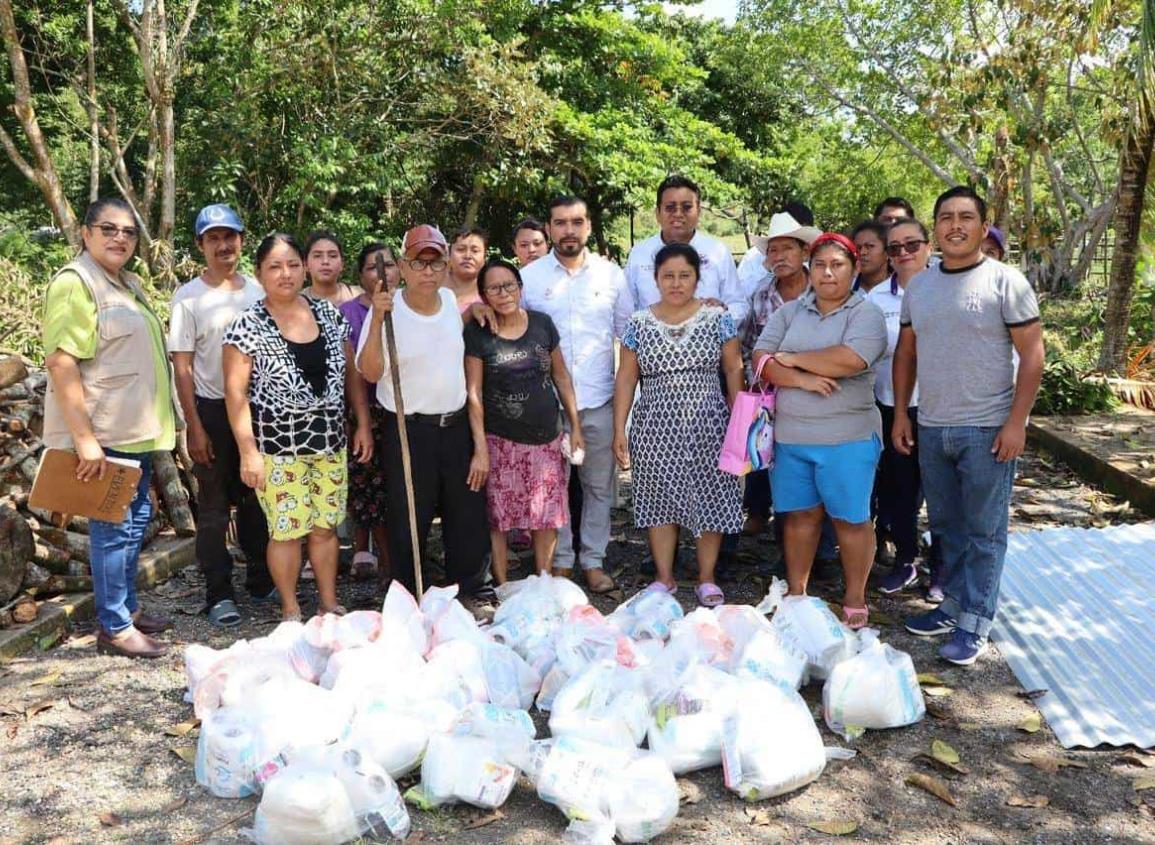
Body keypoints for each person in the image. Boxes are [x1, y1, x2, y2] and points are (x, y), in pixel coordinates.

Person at [896, 186, 1044, 665]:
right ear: (934, 227)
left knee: (985, 532)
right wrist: (902, 412)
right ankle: (953, 606)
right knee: (946, 527)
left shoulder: (1006, 281)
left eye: (965, 217)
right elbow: (907, 353)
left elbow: (1033, 355)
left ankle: (976, 620)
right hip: (934, 426)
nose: (954, 226)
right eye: (945, 217)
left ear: (983, 226)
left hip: (987, 429)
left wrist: (1016, 422)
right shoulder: (919, 287)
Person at [42, 197, 179, 658]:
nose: (119, 237)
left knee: (135, 522)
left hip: (136, 430)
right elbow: (62, 362)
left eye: (128, 231)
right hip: (106, 434)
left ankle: (129, 609)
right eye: (108, 228)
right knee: (113, 527)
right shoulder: (75, 283)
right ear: (86, 233)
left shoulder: (127, 283)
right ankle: (115, 628)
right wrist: (84, 441)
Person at [223, 233, 373, 622]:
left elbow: (352, 374)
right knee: (287, 530)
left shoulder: (327, 313)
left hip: (330, 442)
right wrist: (248, 451)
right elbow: (235, 394)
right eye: (274, 266)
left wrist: (362, 423)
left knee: (324, 527)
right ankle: (290, 607)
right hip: (277, 448)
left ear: (303, 267)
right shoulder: (247, 325)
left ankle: (327, 602)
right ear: (258, 274)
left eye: (292, 264)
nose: (285, 273)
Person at [356, 224, 496, 614]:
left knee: (465, 509)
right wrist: (379, 319)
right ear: (403, 265)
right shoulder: (387, 308)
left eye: (436, 262)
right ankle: (410, 592)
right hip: (407, 429)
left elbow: (458, 327)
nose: (428, 272)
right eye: (419, 263)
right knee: (409, 513)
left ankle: (471, 589)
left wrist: (478, 309)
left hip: (454, 426)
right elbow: (369, 371)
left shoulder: (450, 302)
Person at [753, 233, 888, 629]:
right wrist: (802, 380)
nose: (828, 272)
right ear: (811, 270)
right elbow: (761, 359)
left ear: (855, 268)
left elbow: (850, 359)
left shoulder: (866, 314)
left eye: (838, 265)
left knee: (851, 519)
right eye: (821, 265)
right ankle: (796, 593)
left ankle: (855, 597)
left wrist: (792, 360)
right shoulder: (791, 312)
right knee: (798, 517)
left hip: (847, 439)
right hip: (792, 437)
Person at [613, 243, 744, 605]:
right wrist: (618, 429)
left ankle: (706, 578)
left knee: (711, 497)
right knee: (658, 500)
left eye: (684, 275)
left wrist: (739, 418)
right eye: (668, 276)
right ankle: (664, 577)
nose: (676, 283)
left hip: (709, 422)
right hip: (653, 424)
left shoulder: (718, 318)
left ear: (697, 279)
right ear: (655, 279)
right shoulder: (638, 323)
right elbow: (625, 377)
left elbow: (733, 366)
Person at [521, 196, 633, 593]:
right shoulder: (530, 279)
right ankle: (561, 564)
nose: (569, 230)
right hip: (545, 406)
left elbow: (629, 341)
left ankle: (594, 561)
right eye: (560, 223)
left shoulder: (611, 277)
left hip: (599, 401)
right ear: (549, 229)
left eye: (577, 222)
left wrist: (624, 417)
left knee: (599, 486)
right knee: (552, 486)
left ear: (588, 227)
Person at [169, 203, 271, 628]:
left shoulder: (259, 292)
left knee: (257, 499)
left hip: (258, 409)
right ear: (200, 245)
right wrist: (193, 426)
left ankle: (262, 580)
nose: (223, 245)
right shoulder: (188, 298)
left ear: (241, 241)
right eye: (213, 238)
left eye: (229, 237)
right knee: (213, 508)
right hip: (211, 411)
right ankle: (218, 592)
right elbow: (183, 365)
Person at [464, 258, 583, 584]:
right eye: (493, 288)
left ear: (520, 287)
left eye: (509, 285)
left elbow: (561, 377)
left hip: (547, 438)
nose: (503, 293)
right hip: (500, 441)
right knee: (500, 518)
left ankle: (542, 582)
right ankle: (503, 586)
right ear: (484, 295)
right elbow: (473, 394)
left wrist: (575, 427)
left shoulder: (542, 324)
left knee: (546, 516)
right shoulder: (478, 332)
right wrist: (480, 448)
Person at [738, 208, 820, 538]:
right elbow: (746, 345)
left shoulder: (824, 290)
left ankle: (823, 551)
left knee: (815, 473)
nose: (779, 256)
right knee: (775, 468)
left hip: (819, 395)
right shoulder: (759, 295)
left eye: (787, 248)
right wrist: (756, 378)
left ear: (804, 252)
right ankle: (783, 545)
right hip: (770, 398)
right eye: (773, 250)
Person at [865, 218, 932, 595]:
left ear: (928, 245)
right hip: (891, 406)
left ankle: (942, 566)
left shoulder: (945, 288)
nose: (904, 254)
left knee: (942, 493)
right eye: (895, 248)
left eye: (912, 245)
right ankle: (906, 559)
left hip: (942, 407)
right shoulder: (876, 299)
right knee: (898, 490)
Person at [339, 242, 399, 583]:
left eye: (389, 265)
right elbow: (353, 372)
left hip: (405, 411)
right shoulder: (349, 312)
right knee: (370, 488)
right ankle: (383, 563)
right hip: (367, 409)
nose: (382, 273)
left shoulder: (409, 305)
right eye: (374, 268)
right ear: (361, 275)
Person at [625, 174, 748, 325]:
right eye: (670, 207)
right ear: (657, 213)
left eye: (686, 207)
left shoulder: (718, 252)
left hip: (708, 344)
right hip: (652, 345)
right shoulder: (639, 254)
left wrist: (723, 311)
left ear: (698, 212)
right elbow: (626, 311)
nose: (678, 214)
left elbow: (739, 306)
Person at [304, 230, 361, 307]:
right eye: (317, 256)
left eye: (333, 256)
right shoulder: (295, 302)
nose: (325, 261)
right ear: (306, 265)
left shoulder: (360, 296)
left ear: (342, 264)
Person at [445, 226, 488, 314]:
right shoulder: (433, 287)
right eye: (461, 250)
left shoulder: (492, 292)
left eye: (475, 251)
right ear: (449, 256)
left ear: (484, 258)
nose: (468, 256)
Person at [851, 220, 891, 293]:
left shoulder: (902, 290)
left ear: (887, 252)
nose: (862, 252)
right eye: (858, 248)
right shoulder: (845, 288)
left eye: (870, 246)